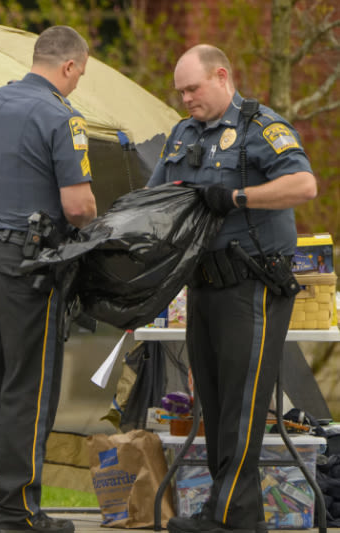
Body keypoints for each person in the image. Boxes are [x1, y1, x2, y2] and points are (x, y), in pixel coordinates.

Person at [147, 44, 317, 533]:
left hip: (253, 286)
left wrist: (237, 197)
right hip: (201, 285)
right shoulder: (182, 135)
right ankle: (232, 514)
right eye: (179, 91)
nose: (185, 99)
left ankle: (228, 517)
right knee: (216, 404)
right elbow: (155, 198)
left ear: (221, 76)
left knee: (243, 404)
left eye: (192, 88)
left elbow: (304, 185)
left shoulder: (260, 127)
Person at [0, 26, 97, 533]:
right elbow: (77, 208)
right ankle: (18, 513)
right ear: (70, 66)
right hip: (24, 266)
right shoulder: (61, 115)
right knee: (28, 388)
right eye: (79, 74)